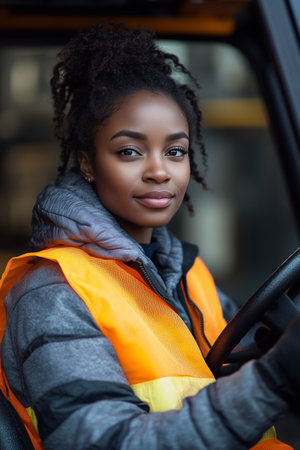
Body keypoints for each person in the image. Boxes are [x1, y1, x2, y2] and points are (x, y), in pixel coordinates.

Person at [0, 24, 299, 450]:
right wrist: (273, 380)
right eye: (129, 151)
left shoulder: (186, 273)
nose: (159, 170)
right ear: (88, 163)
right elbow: (101, 441)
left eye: (175, 151)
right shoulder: (52, 292)